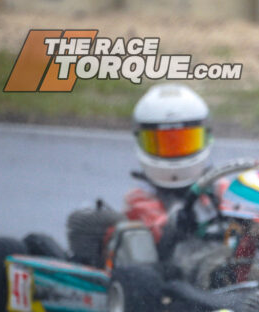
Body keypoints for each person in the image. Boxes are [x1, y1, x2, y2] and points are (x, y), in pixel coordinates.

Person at [65, 83, 213, 267]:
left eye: (185, 142)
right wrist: (180, 222)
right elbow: (156, 229)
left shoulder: (216, 186)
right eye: (164, 144)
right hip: (168, 270)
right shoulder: (140, 198)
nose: (175, 153)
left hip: (217, 259)